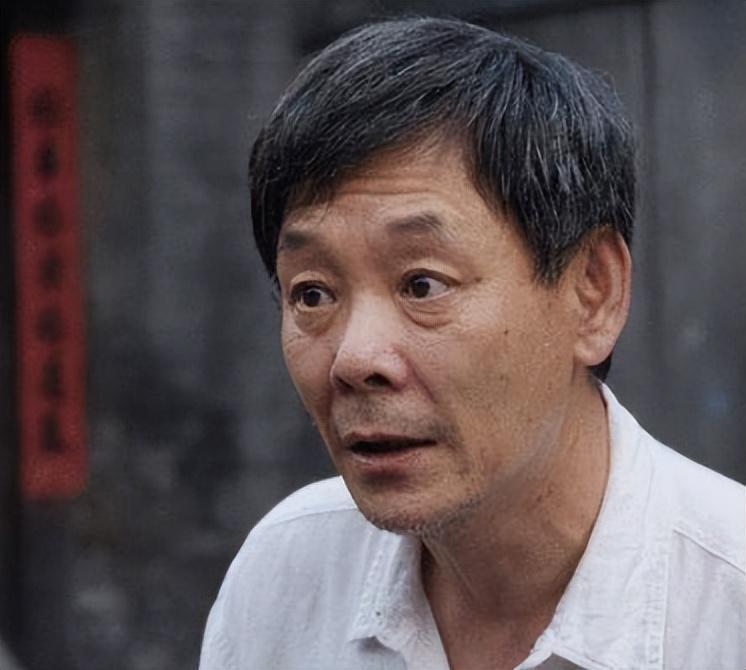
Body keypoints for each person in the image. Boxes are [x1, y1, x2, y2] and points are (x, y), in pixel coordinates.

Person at [200, 17, 745, 670]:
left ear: (592, 292)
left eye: (422, 285)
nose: (355, 359)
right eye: (313, 294)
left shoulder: (726, 603)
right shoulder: (286, 576)